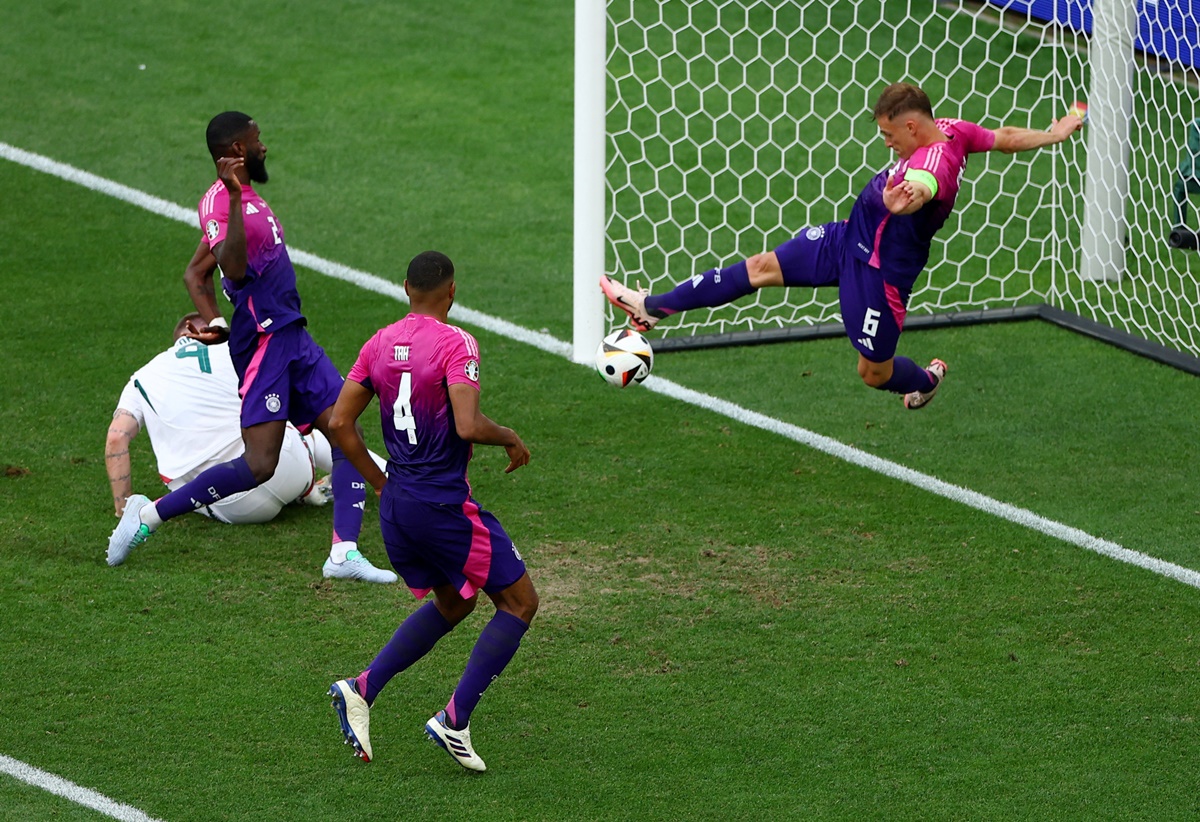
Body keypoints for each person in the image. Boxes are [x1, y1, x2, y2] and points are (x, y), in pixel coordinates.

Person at [601, 82, 1086, 409]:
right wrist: (1052, 133)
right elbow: (1001, 137)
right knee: (762, 266)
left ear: (912, 127)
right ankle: (652, 307)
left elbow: (925, 185)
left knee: (873, 373)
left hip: (880, 277)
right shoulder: (955, 131)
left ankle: (925, 380)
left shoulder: (932, 166)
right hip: (847, 238)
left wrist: (908, 199)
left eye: (888, 134)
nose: (886, 143)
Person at [107, 111, 394, 584]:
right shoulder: (221, 202)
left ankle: (343, 552)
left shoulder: (247, 199)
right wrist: (237, 198)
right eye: (258, 141)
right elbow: (234, 269)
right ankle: (148, 517)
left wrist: (215, 321)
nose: (265, 147)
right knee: (260, 464)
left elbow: (195, 273)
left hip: (291, 334)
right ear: (237, 150)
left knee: (344, 430)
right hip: (264, 340)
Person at [326, 251, 537, 772]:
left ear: (405, 288)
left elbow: (338, 422)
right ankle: (454, 720)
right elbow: (466, 425)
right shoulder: (455, 342)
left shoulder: (377, 343)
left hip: (398, 507)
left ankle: (361, 689)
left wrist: (380, 484)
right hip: (442, 506)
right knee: (519, 602)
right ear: (452, 292)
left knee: (454, 603)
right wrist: (508, 436)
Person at [106, 313, 389, 532]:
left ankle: (307, 491)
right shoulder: (240, 350)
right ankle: (388, 477)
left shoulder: (144, 376)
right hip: (287, 464)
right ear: (204, 332)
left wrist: (123, 509)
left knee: (192, 479)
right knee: (308, 433)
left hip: (233, 506)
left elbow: (117, 438)